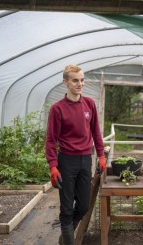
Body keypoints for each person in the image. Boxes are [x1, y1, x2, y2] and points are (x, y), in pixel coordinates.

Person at [45, 64, 106, 245]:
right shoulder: (57, 109)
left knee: (83, 206)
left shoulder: (89, 104)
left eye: (82, 80)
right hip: (66, 161)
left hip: (85, 159)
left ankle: (65, 237)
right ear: (66, 82)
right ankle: (68, 240)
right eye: (75, 80)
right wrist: (53, 167)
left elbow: (96, 132)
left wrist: (101, 155)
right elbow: (50, 140)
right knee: (66, 208)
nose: (80, 84)